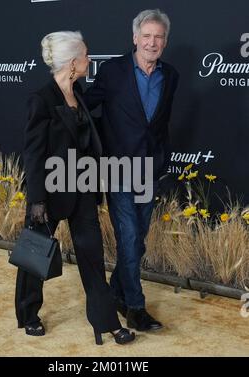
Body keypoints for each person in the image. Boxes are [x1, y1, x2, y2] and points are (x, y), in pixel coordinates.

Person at [15, 31, 135, 345]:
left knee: (93, 258)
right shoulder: (41, 100)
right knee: (34, 258)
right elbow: (33, 153)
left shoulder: (78, 91)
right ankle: (28, 314)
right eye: (85, 55)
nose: (89, 59)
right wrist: (37, 200)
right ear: (72, 62)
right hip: (50, 193)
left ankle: (105, 322)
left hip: (81, 189)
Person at [84, 9, 179, 331]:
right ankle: (136, 308)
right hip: (118, 168)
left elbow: (159, 124)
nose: (152, 42)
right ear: (135, 38)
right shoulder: (112, 71)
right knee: (127, 237)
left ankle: (116, 294)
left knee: (137, 241)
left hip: (149, 170)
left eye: (159, 37)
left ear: (165, 42)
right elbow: (85, 107)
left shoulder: (171, 76)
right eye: (147, 36)